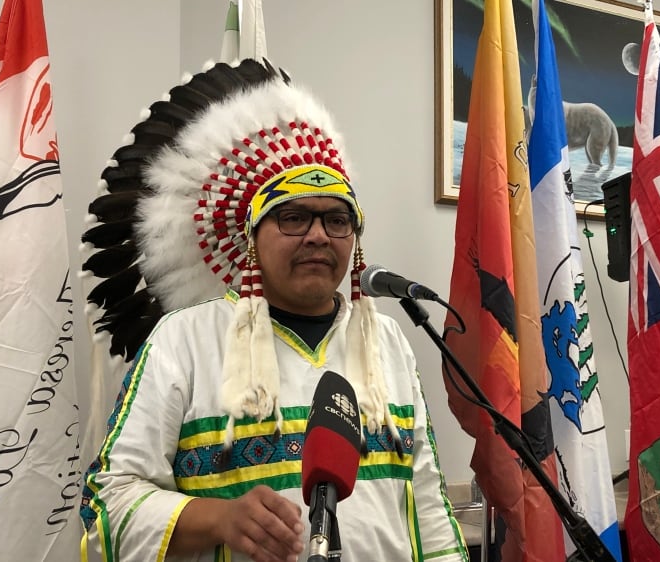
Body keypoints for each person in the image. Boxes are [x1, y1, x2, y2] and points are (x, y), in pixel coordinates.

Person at [79, 58, 468, 562]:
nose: (317, 235)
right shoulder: (184, 340)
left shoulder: (386, 341)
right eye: (292, 217)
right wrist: (218, 519)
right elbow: (107, 506)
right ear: (251, 240)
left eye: (336, 220)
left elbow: (428, 512)